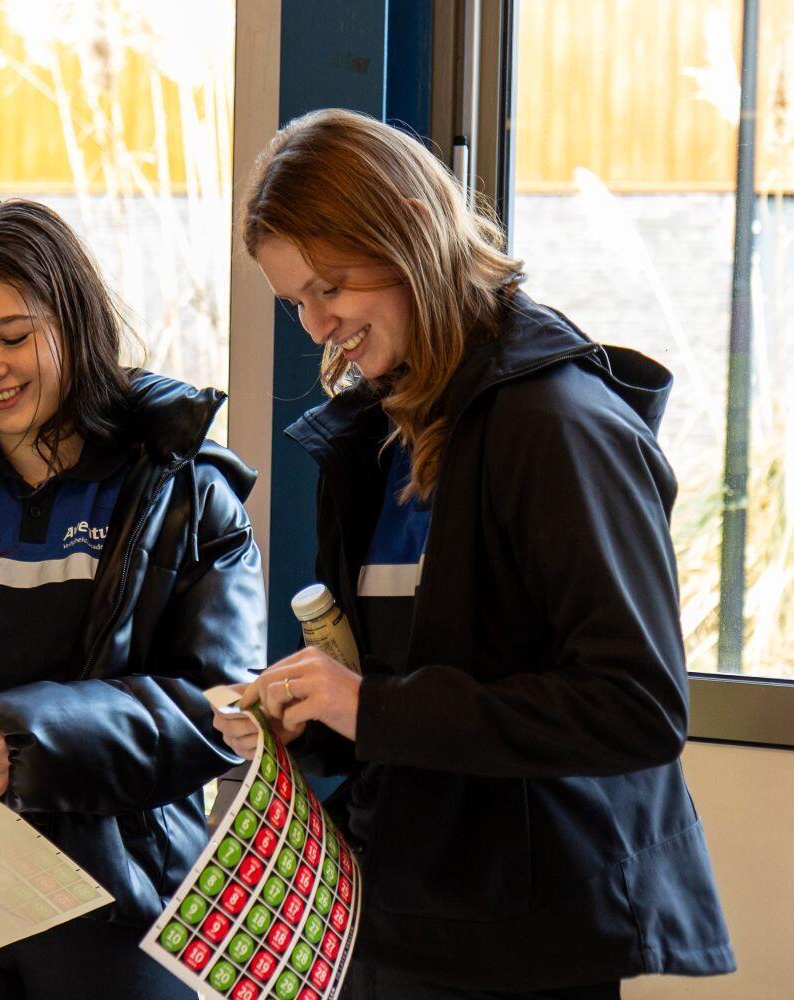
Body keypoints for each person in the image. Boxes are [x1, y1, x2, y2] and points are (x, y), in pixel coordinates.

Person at [215, 108, 735, 999]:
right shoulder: (377, 433)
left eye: (330, 286)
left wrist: (371, 707)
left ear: (415, 231)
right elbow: (416, 688)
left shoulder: (558, 426)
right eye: (294, 300)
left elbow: (637, 708)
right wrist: (317, 712)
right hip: (400, 912)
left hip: (526, 938)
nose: (316, 325)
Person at [0, 198, 266, 998]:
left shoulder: (185, 491)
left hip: (119, 904)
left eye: (13, 337)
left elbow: (225, 708)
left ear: (73, 321)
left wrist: (31, 737)